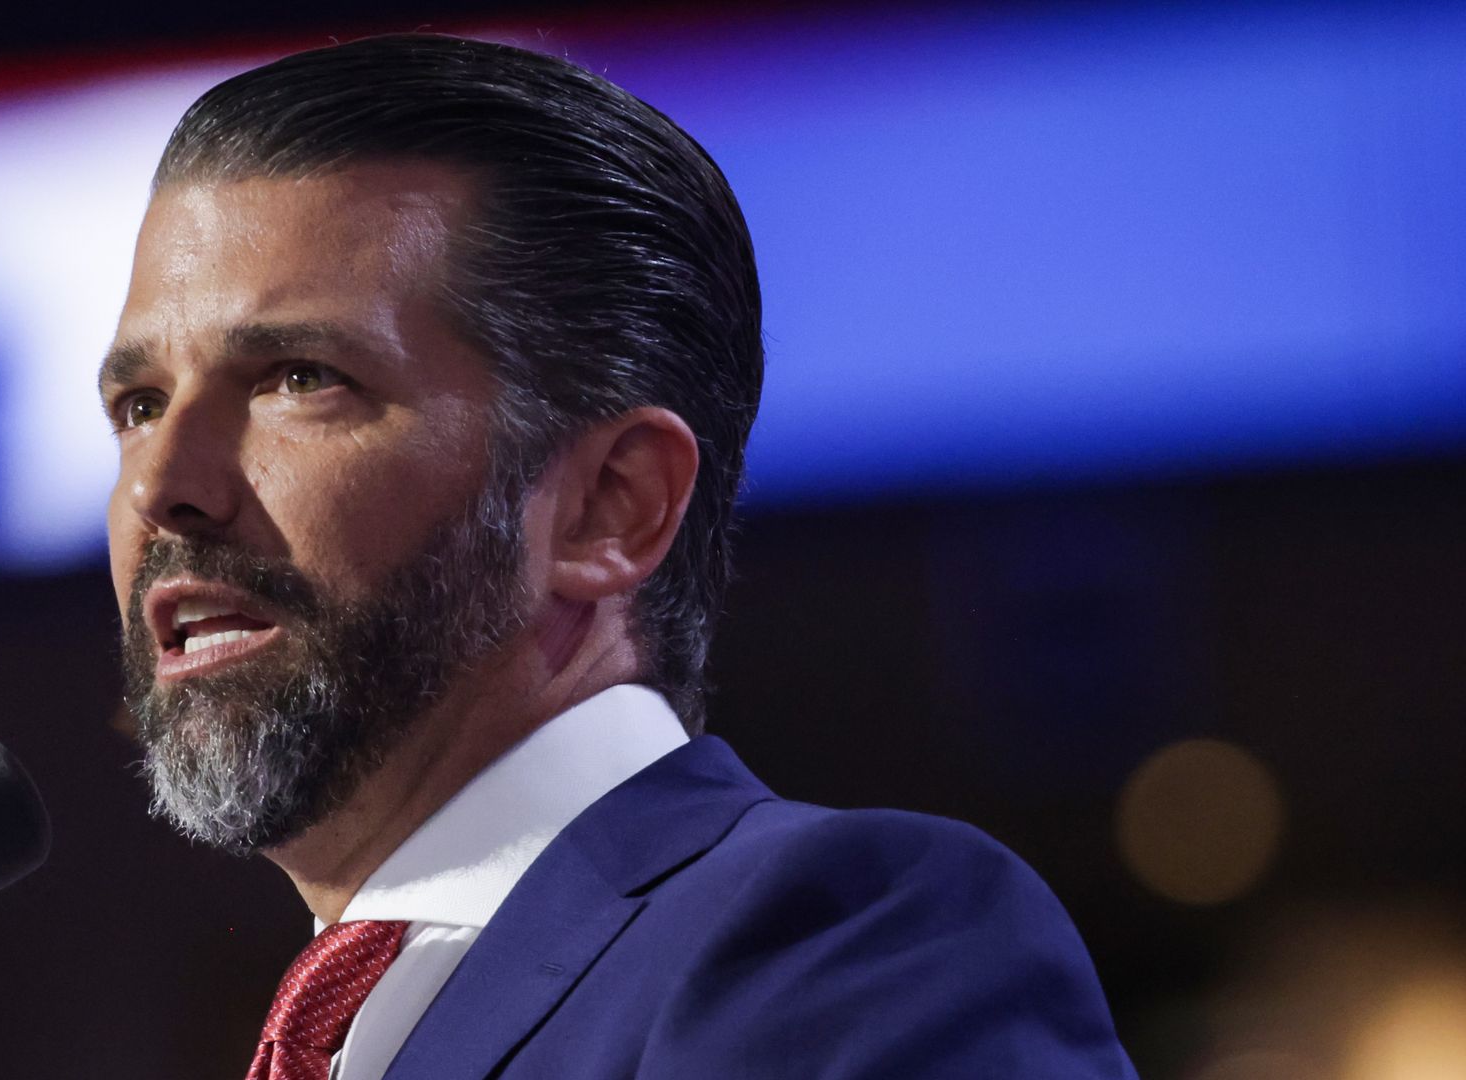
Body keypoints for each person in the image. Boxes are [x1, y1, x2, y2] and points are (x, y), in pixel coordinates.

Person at [100, 32, 1136, 1080]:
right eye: (138, 406)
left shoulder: (842, 945)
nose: (160, 484)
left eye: (298, 377)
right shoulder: (346, 1028)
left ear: (610, 505)